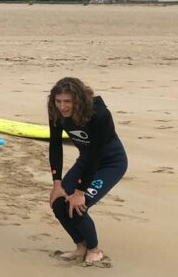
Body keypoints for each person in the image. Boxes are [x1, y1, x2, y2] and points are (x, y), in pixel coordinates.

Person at [47, 77, 127, 267]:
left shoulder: (99, 114)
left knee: (77, 206)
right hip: (86, 161)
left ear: (78, 100)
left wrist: (80, 192)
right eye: (58, 101)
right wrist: (57, 183)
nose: (63, 107)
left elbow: (96, 154)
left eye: (68, 102)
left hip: (110, 163)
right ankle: (80, 246)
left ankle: (94, 249)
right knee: (59, 204)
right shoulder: (55, 111)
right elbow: (55, 145)